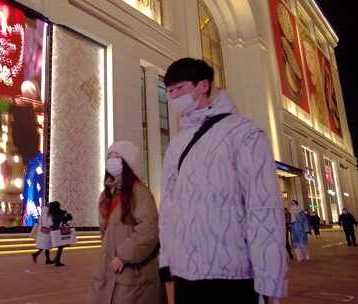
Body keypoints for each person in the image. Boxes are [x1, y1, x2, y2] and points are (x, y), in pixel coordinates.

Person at [158, 58, 287, 304]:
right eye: (169, 90)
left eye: (179, 88)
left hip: (232, 276)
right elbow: (168, 208)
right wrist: (167, 260)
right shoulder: (177, 143)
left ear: (203, 85)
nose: (172, 96)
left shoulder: (244, 132)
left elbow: (263, 208)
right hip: (186, 274)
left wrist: (270, 280)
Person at [90, 141, 164, 304]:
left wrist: (124, 256)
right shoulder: (107, 196)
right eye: (109, 156)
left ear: (128, 163)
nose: (112, 160)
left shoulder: (140, 192)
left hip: (134, 274)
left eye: (117, 156)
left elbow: (149, 228)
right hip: (109, 271)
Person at [48, 201, 73, 267]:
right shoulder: (60, 212)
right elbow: (65, 219)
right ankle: (57, 261)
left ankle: (56, 259)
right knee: (61, 246)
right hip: (59, 230)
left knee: (60, 246)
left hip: (54, 230)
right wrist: (67, 216)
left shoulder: (51, 212)